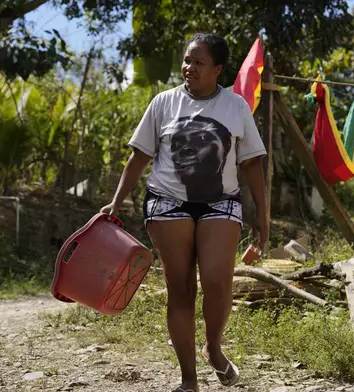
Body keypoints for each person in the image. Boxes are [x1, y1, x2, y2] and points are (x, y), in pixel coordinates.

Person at [100, 33, 268, 392]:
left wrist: (262, 219)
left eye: (199, 62)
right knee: (181, 290)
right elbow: (140, 156)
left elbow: (253, 165)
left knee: (217, 280)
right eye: (187, 60)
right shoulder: (163, 103)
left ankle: (214, 348)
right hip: (167, 200)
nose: (189, 68)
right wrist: (116, 201)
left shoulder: (236, 107)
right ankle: (188, 380)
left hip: (221, 201)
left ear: (218, 69)